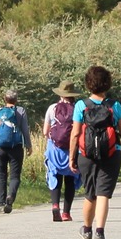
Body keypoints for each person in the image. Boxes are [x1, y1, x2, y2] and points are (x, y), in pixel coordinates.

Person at [70, 65, 121, 239]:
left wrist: (72, 157)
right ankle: (100, 234)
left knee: (90, 194)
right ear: (108, 84)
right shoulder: (115, 106)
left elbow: (75, 134)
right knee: (103, 194)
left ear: (88, 84)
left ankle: (87, 230)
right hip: (111, 152)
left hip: (86, 154)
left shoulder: (81, 105)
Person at [0, 90, 32, 213]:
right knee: (15, 176)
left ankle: (1, 204)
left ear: (4, 99)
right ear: (16, 99)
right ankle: (10, 196)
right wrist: (28, 145)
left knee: (1, 175)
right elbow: (25, 130)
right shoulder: (21, 111)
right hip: (16, 147)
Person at [44, 82, 80, 222]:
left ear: (60, 94)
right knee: (70, 180)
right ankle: (66, 213)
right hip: (71, 149)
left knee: (55, 176)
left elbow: (45, 132)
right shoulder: (78, 109)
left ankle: (55, 206)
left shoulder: (52, 108)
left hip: (54, 149)